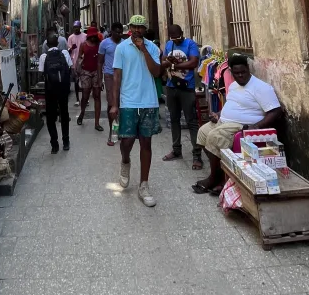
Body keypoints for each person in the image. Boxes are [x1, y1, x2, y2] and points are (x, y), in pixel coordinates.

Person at [192, 54, 282, 194]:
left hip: (242, 125)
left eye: (243, 72)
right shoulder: (233, 85)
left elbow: (276, 112)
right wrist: (219, 114)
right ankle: (219, 175)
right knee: (203, 132)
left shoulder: (261, 87)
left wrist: (256, 126)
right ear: (231, 73)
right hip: (224, 121)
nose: (240, 76)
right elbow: (232, 105)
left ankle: (214, 178)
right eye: (236, 73)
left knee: (215, 136)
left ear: (248, 70)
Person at [111, 15, 163, 207]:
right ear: (130, 29)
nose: (138, 31)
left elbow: (157, 72)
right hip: (128, 101)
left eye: (141, 27)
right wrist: (114, 104)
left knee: (146, 143)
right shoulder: (121, 48)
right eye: (135, 27)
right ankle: (125, 161)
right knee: (127, 140)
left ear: (145, 29)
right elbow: (117, 77)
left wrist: (144, 50)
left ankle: (144, 185)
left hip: (149, 101)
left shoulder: (153, 48)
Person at [161, 24, 202, 169]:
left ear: (182, 34)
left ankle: (197, 155)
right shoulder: (169, 44)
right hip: (172, 87)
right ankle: (176, 150)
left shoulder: (190, 44)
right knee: (174, 119)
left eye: (178, 38)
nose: (176, 41)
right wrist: (170, 62)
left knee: (191, 121)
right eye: (173, 39)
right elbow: (163, 61)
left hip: (187, 87)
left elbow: (193, 62)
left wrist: (175, 65)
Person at [38, 33, 72, 153]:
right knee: (64, 115)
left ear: (46, 44)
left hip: (50, 90)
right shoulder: (65, 53)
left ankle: (54, 144)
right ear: (58, 43)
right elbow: (69, 68)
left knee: (51, 117)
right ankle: (66, 142)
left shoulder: (43, 56)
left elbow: (41, 72)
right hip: (63, 89)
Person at [98, 22, 124, 145]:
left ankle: (122, 130)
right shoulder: (105, 43)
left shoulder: (124, 43)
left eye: (121, 32)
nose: (119, 34)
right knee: (112, 104)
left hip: (124, 76)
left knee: (123, 103)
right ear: (111, 32)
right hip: (109, 75)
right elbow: (100, 62)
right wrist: (99, 78)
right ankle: (112, 132)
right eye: (117, 32)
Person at [76, 26, 104, 131]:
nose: (93, 38)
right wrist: (78, 68)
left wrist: (101, 77)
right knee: (85, 95)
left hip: (96, 72)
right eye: (91, 36)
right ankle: (82, 113)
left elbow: (101, 60)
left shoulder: (100, 45)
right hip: (85, 72)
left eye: (94, 36)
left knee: (97, 96)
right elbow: (79, 57)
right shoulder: (83, 45)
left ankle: (97, 123)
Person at [67, 20, 88, 102]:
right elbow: (68, 50)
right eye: (75, 27)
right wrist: (71, 48)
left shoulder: (85, 36)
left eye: (77, 27)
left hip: (84, 61)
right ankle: (77, 99)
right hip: (74, 62)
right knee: (76, 81)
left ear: (80, 27)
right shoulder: (70, 37)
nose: (76, 29)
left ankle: (85, 98)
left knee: (84, 81)